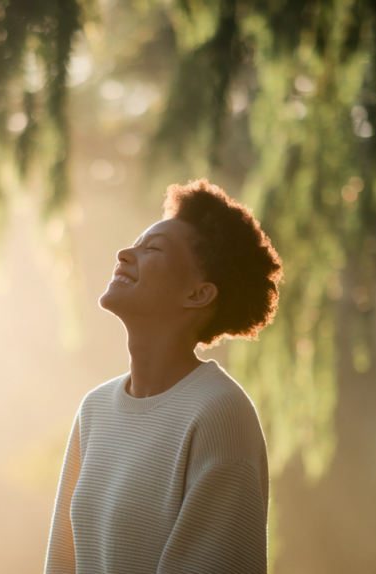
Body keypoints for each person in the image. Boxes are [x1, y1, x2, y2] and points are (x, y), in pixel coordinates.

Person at [44, 179, 283, 574]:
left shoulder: (219, 414)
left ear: (198, 294)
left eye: (151, 249)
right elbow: (62, 562)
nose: (124, 253)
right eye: (135, 243)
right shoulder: (96, 410)